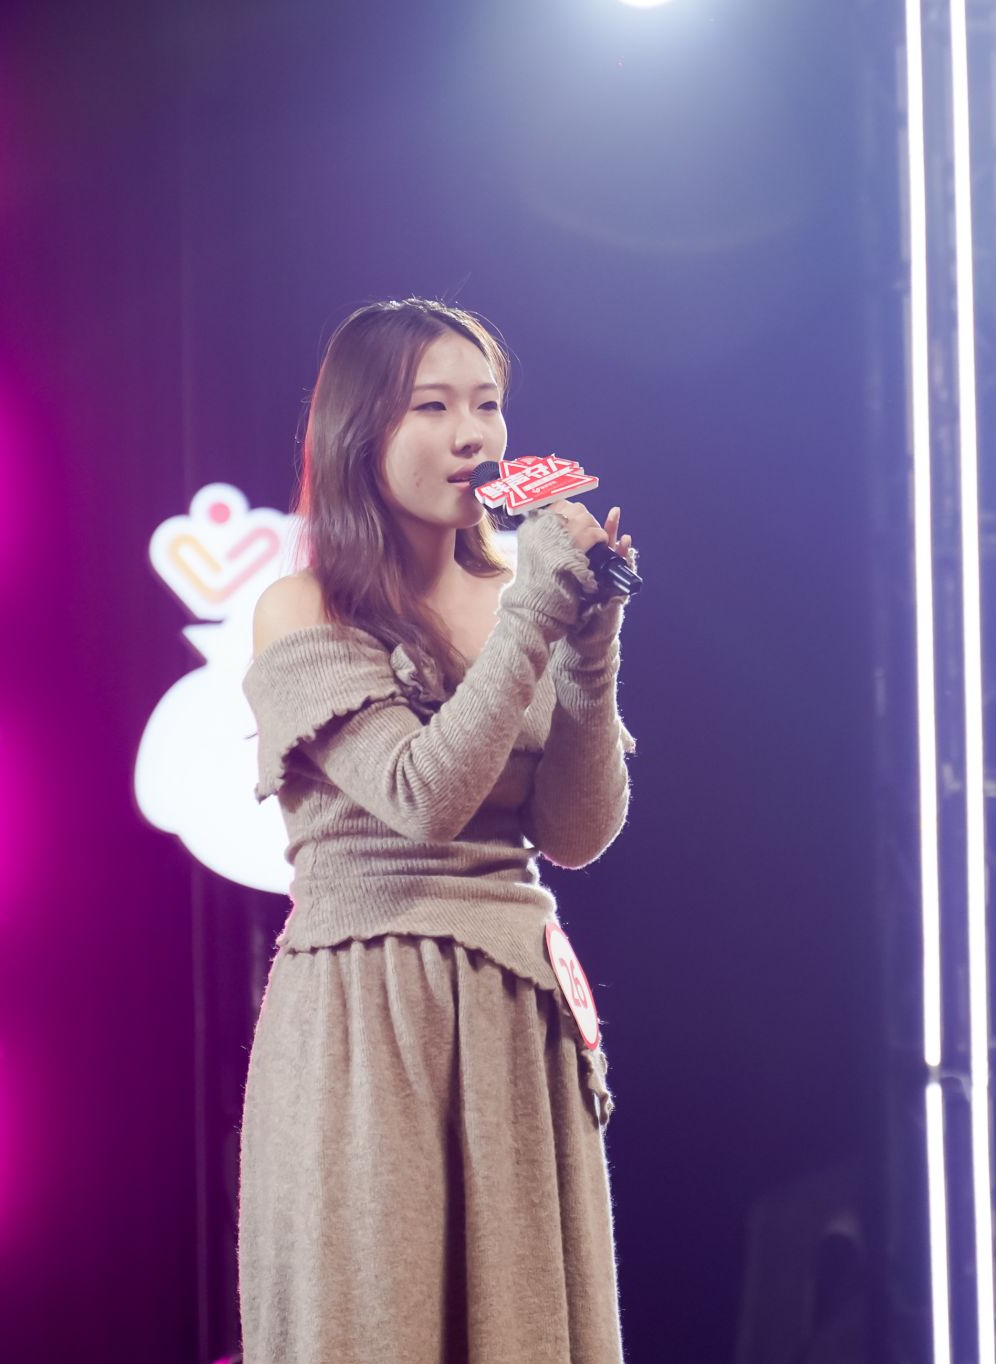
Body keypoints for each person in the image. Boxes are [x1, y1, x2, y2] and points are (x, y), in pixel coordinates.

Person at [237, 297, 638, 1364]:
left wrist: (591, 647)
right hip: (370, 1007)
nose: (473, 435)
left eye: (487, 404)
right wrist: (532, 619)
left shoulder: (520, 591)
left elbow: (576, 830)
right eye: (433, 406)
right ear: (359, 430)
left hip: (514, 1003)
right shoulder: (302, 607)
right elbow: (419, 795)